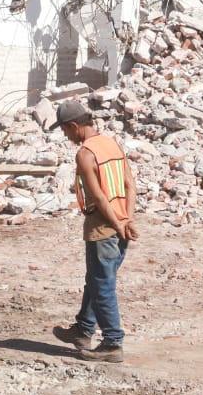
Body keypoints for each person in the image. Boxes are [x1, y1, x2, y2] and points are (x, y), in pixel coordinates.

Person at [49, 99, 137, 362]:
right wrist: (127, 219)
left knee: (103, 286)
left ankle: (112, 342)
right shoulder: (111, 144)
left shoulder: (85, 154)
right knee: (97, 280)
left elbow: (98, 197)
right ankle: (83, 330)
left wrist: (116, 223)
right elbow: (130, 185)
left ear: (74, 126)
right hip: (121, 224)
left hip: (103, 228)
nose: (66, 136)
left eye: (65, 130)